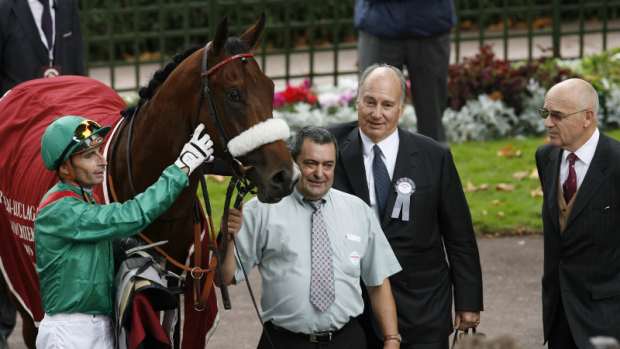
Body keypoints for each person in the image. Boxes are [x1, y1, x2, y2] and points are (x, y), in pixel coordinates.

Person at [330, 64, 483, 349]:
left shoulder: (434, 157)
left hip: (422, 306)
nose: (377, 113)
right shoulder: (328, 147)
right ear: (357, 101)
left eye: (387, 104)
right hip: (352, 309)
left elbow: (459, 235)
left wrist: (468, 301)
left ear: (401, 109)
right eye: (370, 102)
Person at [34, 115, 214, 349]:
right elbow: (132, 215)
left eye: (99, 152)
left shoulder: (85, 200)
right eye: (89, 156)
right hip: (70, 333)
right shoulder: (60, 209)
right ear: (65, 167)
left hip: (98, 325)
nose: (101, 161)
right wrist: (182, 167)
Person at [221, 126, 403, 349]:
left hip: (346, 341)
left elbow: (378, 282)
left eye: (328, 165)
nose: (320, 173)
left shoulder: (358, 211)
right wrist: (228, 239)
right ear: (293, 162)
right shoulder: (261, 209)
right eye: (310, 163)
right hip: (284, 342)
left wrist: (392, 338)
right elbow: (226, 277)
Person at [535, 78, 620, 349]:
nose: (548, 122)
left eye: (558, 115)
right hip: (559, 313)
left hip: (607, 316)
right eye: (545, 113)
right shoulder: (546, 157)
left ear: (587, 117)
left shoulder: (617, 162)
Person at [354, 0, 455, 142]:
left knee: (432, 118)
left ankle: (433, 163)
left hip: (431, 23)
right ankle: (369, 163)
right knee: (373, 118)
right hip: (379, 23)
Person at [0, 0, 84, 96]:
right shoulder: (4, 7)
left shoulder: (68, 4)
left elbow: (77, 61)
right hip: (20, 105)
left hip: (64, 102)